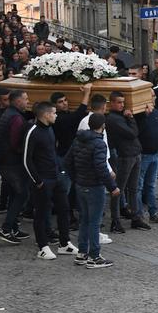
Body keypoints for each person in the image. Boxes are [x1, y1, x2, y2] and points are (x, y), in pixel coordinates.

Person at [64, 113, 119, 269]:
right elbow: (101, 168)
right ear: (103, 126)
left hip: (81, 185)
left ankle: (82, 253)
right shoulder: (99, 144)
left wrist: (77, 178)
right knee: (94, 222)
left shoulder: (78, 140)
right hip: (94, 187)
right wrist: (112, 187)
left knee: (84, 220)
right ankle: (94, 256)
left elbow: (67, 162)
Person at [25, 101, 77, 260]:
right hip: (43, 180)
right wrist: (37, 180)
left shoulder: (50, 130)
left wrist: (60, 171)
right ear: (46, 114)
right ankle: (42, 246)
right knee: (41, 213)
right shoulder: (33, 131)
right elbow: (27, 160)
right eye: (54, 113)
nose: (56, 115)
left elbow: (51, 152)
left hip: (56, 177)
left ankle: (64, 243)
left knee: (64, 209)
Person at [104, 92, 145, 231]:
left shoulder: (121, 117)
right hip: (125, 156)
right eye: (119, 102)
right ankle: (115, 221)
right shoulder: (113, 119)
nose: (122, 105)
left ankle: (136, 217)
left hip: (134, 154)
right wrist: (131, 118)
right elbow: (133, 133)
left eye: (123, 102)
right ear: (111, 103)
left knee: (133, 189)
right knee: (118, 190)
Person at [0, 89, 31, 244]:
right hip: (12, 162)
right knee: (21, 194)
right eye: (26, 99)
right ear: (17, 101)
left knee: (14, 194)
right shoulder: (16, 118)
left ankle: (14, 226)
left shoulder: (9, 113)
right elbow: (15, 142)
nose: (28, 101)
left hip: (5, 160)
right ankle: (6, 228)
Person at [135, 102, 158, 224]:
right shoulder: (138, 115)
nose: (153, 99)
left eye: (154, 97)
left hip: (155, 154)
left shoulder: (156, 112)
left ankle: (153, 213)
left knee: (151, 185)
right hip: (143, 155)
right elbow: (137, 132)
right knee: (139, 186)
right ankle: (139, 215)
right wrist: (145, 115)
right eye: (150, 96)